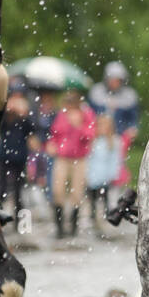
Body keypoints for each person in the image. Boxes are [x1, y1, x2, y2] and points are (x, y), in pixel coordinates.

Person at [46, 89, 97, 237]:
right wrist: (51, 144)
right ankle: (59, 228)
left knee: (77, 193)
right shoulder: (62, 115)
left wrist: (78, 126)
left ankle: (73, 228)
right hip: (62, 158)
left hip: (79, 159)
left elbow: (90, 136)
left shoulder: (86, 115)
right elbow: (55, 133)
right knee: (58, 190)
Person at [0, 91, 39, 228]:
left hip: (20, 158)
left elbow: (33, 130)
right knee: (1, 190)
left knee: (19, 191)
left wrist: (24, 115)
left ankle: (20, 225)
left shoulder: (24, 119)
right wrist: (6, 111)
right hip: (4, 157)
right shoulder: (4, 118)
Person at [86, 114, 123, 223]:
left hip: (105, 176)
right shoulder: (93, 141)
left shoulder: (114, 141)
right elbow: (89, 158)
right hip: (92, 175)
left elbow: (115, 160)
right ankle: (93, 219)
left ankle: (107, 217)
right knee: (92, 199)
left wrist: (113, 174)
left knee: (106, 198)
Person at [88, 63, 139, 140]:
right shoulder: (96, 92)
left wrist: (131, 129)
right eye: (112, 80)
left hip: (120, 136)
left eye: (117, 80)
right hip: (98, 135)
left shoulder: (129, 96)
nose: (114, 83)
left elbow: (133, 118)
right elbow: (89, 114)